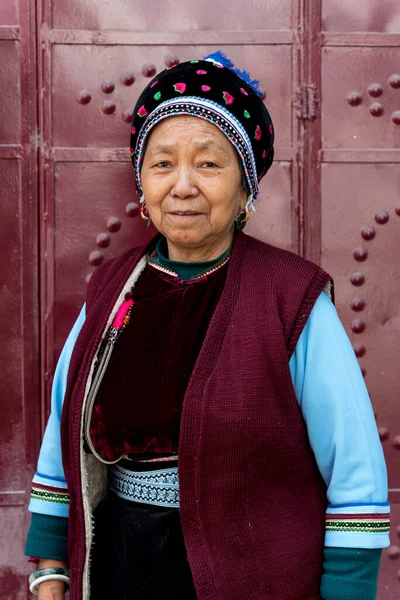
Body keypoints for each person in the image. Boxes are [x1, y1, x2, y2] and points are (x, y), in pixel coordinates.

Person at [25, 52, 390, 600]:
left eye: (210, 164)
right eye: (163, 163)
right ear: (142, 186)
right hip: (122, 563)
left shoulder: (292, 297)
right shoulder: (111, 290)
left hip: (253, 571)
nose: (184, 185)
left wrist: (348, 589)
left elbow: (353, 465)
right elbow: (63, 428)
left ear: (246, 190)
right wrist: (50, 564)